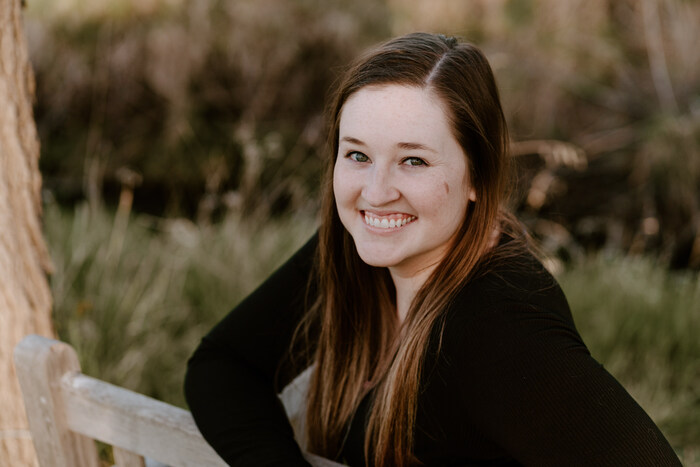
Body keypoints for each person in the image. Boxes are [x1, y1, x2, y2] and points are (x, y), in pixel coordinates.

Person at [184, 33, 680, 466]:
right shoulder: (359, 249)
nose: (376, 192)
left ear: (477, 177)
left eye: (414, 161)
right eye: (357, 154)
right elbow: (223, 366)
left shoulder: (499, 322)